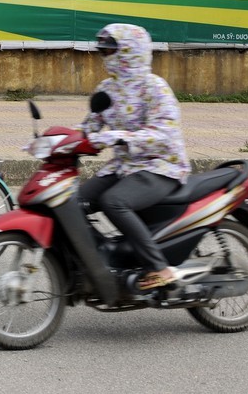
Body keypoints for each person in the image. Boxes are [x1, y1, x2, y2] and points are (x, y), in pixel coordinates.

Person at [76, 22, 190, 291]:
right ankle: (99, 259)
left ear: (131, 51)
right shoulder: (107, 88)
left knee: (114, 201)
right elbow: (90, 126)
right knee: (74, 200)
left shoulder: (154, 87)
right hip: (125, 165)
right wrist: (59, 142)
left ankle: (158, 268)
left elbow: (164, 131)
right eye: (102, 51)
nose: (105, 56)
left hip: (161, 165)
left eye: (110, 50)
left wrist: (120, 137)